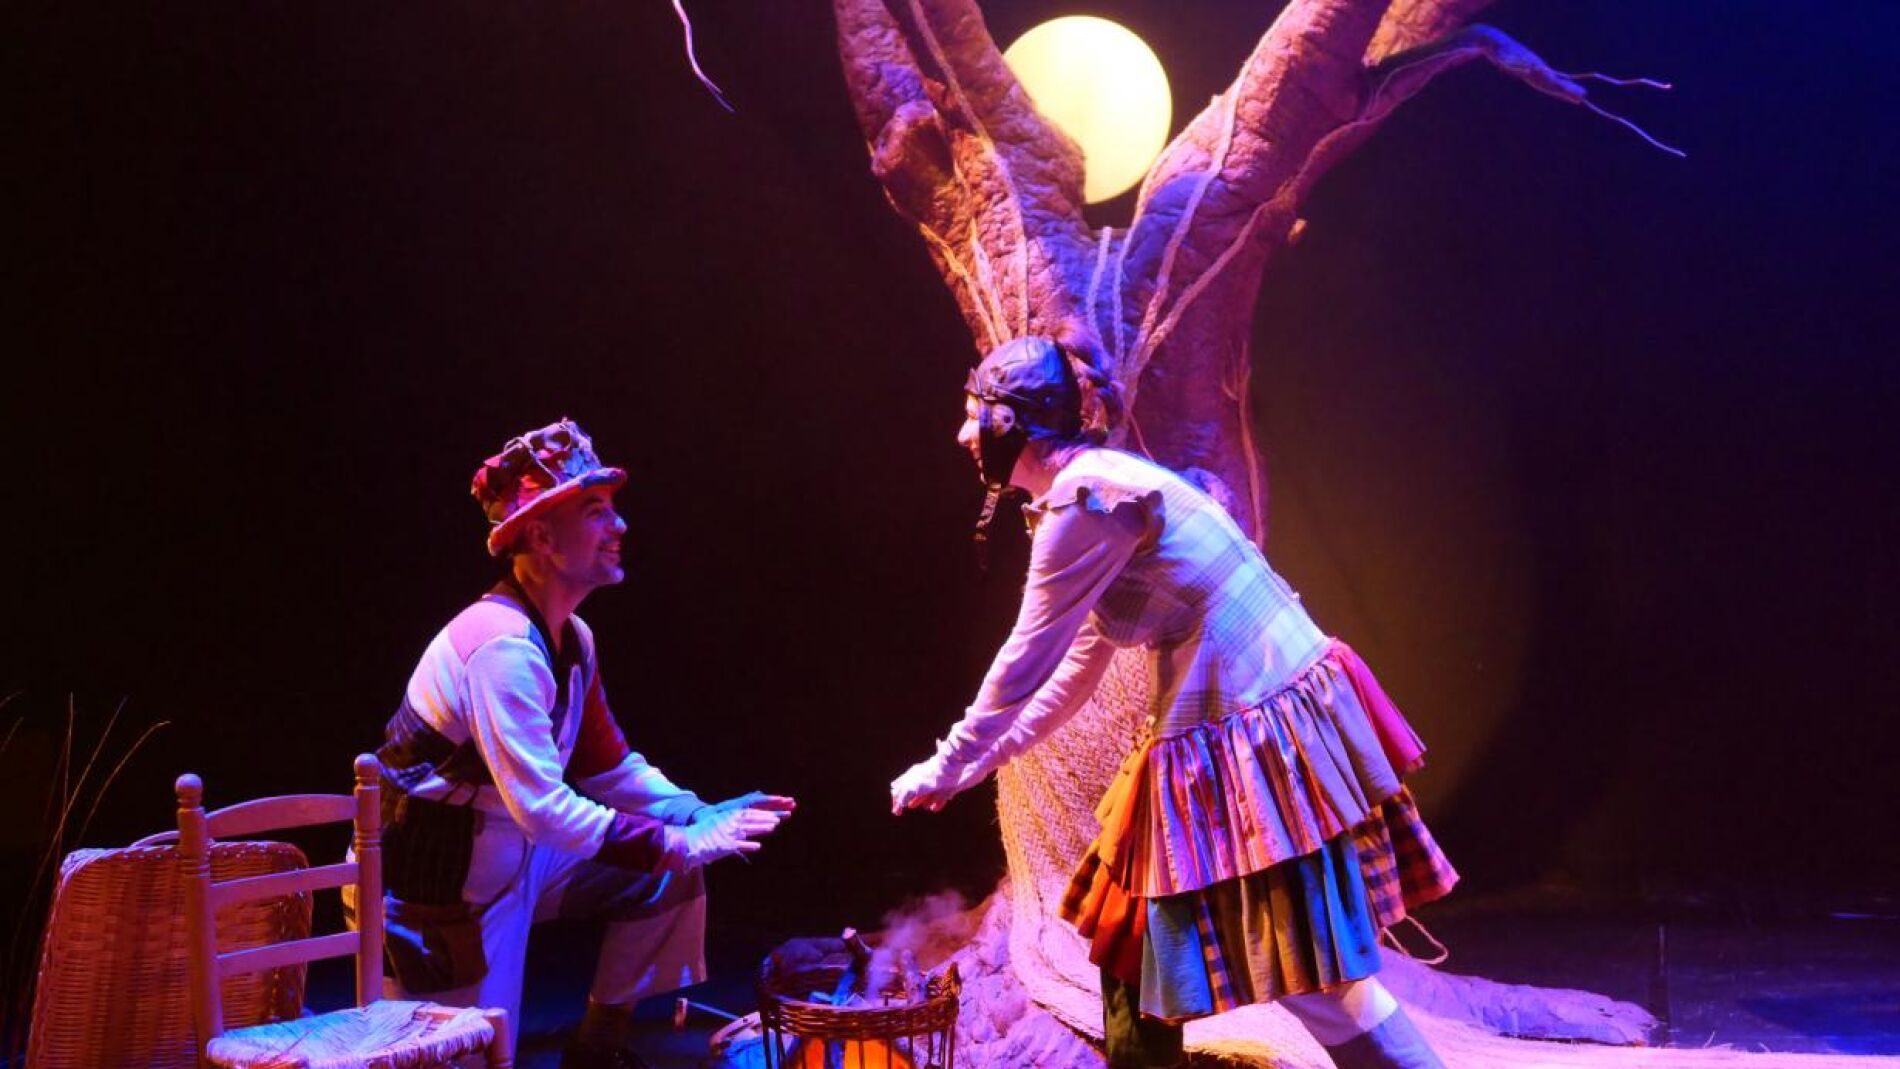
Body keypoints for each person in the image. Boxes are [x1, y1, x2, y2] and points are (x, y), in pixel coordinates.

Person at [891, 337, 1459, 1069]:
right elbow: (1073, 673)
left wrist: (943, 763)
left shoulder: (1087, 503)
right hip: (1247, 715)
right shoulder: (1100, 488)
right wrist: (968, 770)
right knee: (1128, 922)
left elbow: (1023, 661)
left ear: (1010, 426)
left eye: (974, 415)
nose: (962, 434)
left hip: (1252, 727)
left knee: (1316, 974)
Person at [374, 418, 794, 1069]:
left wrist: (694, 815)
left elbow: (607, 766)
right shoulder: (500, 647)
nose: (619, 525)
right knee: (474, 1056)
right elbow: (543, 809)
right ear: (542, 536)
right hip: (439, 888)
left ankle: (597, 1048)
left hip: (513, 856)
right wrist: (679, 839)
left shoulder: (573, 636)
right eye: (596, 511)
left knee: (669, 875)